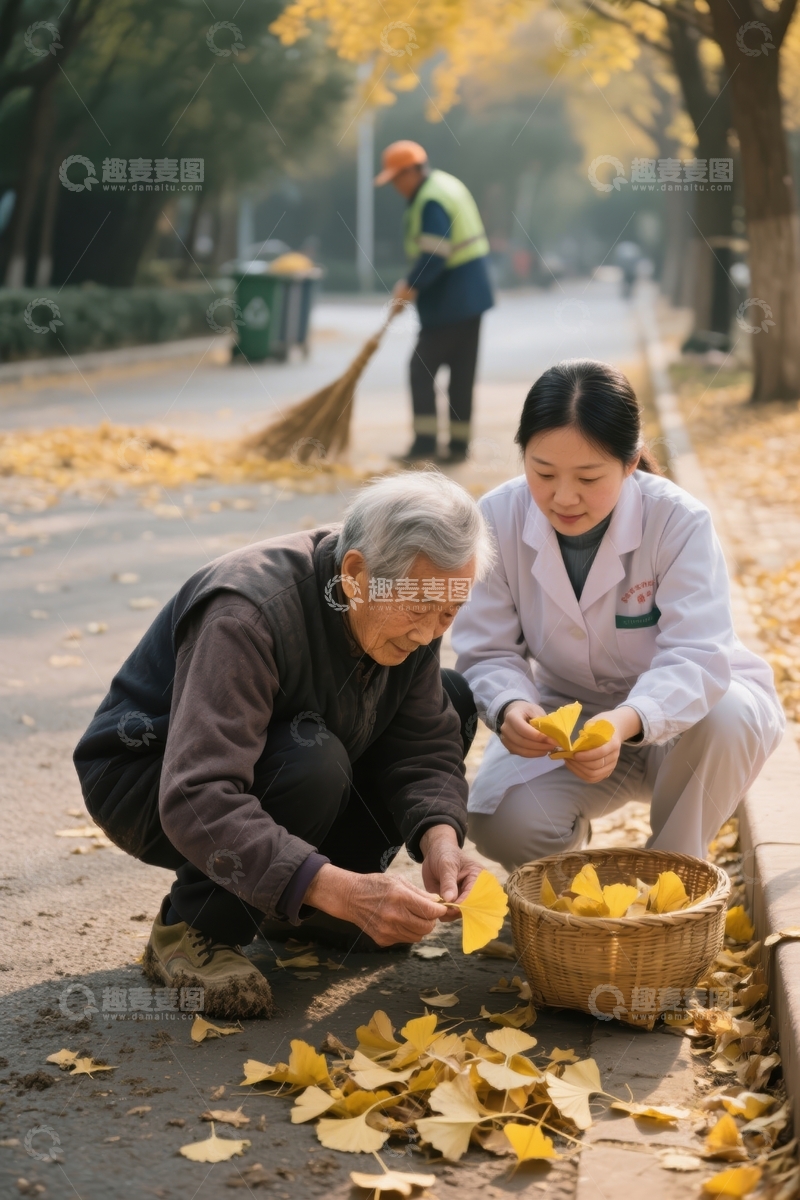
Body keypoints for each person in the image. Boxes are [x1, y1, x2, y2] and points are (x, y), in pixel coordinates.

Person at [74, 472, 489, 1019]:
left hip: (293, 755)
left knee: (452, 700)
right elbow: (199, 791)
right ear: (357, 574)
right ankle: (193, 929)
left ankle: (297, 903)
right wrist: (341, 890)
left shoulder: (413, 600)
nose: (429, 633)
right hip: (150, 781)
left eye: (449, 611)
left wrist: (442, 842)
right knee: (311, 758)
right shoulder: (244, 612)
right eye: (419, 609)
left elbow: (422, 744)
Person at [451, 359, 784, 869]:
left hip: (686, 728)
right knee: (500, 821)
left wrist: (626, 721)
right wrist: (510, 705)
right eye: (542, 472)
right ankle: (564, 885)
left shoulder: (678, 521)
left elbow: (698, 656)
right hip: (571, 718)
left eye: (588, 477)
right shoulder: (495, 518)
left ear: (630, 464)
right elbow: (487, 648)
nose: (562, 497)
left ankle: (674, 874)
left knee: (729, 714)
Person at [375, 140, 494, 464]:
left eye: (398, 178)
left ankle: (425, 443)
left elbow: (435, 252)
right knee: (461, 372)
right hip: (473, 296)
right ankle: (457, 447)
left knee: (420, 369)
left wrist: (410, 285)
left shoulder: (429, 201)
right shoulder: (446, 185)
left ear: (413, 171)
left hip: (451, 300)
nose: (397, 186)